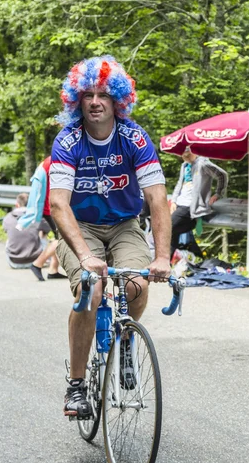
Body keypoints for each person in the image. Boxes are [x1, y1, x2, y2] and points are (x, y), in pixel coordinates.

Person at [49, 55, 171, 419]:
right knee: (93, 289)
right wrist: (85, 256)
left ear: (118, 100)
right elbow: (58, 204)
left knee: (137, 285)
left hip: (123, 225)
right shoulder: (68, 141)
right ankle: (76, 385)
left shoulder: (135, 138)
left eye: (104, 94)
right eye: (88, 95)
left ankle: (126, 339)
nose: (96, 102)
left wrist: (162, 257)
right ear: (77, 101)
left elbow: (157, 199)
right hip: (80, 226)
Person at [170, 146, 228, 259]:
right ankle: (167, 263)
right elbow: (179, 184)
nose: (184, 157)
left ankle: (166, 262)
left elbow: (222, 175)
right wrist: (174, 200)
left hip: (190, 206)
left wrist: (218, 193)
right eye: (183, 155)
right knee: (172, 233)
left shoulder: (202, 163)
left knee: (167, 228)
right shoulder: (184, 165)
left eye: (187, 155)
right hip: (180, 204)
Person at [16, 156, 66, 281]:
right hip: (51, 208)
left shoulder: (52, 160)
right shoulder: (54, 161)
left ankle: (53, 270)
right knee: (63, 238)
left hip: (50, 207)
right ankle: (37, 264)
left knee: (58, 238)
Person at [3, 193, 60, 275]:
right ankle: (49, 265)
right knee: (43, 234)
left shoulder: (8, 217)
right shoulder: (37, 217)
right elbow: (49, 230)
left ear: (17, 205)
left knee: (10, 236)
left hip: (13, 262)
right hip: (34, 260)